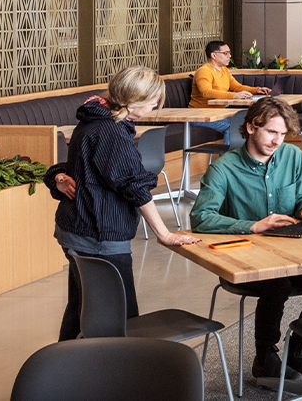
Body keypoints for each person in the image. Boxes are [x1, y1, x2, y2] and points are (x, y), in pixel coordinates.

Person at [46, 66, 201, 342]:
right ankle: (121, 374)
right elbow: (134, 187)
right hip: (99, 234)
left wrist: (56, 175)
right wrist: (163, 234)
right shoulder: (112, 132)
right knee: (121, 314)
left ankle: (64, 371)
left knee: (81, 306)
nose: (155, 106)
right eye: (154, 101)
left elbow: (80, 166)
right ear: (134, 101)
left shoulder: (93, 118)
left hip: (76, 228)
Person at [188, 96, 302, 381]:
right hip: (247, 257)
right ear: (250, 127)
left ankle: (297, 347)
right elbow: (200, 217)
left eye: (283, 134)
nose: (277, 141)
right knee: (278, 281)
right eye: (272, 132)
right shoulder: (223, 169)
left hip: (289, 248)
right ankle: (265, 357)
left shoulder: (292, 157)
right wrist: (252, 226)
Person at [191, 40, 268, 141]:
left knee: (249, 121)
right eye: (226, 53)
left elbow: (236, 87)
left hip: (218, 114)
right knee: (233, 126)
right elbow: (206, 92)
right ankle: (228, 156)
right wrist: (234, 96)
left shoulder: (224, 70)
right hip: (201, 116)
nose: (230, 56)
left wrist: (257, 90)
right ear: (214, 55)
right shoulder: (204, 71)